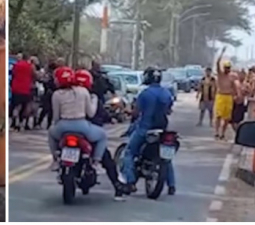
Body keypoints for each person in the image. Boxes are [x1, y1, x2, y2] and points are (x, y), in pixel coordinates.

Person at [75, 68, 130, 200]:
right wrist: (109, 118)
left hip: (70, 131)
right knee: (106, 159)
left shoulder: (67, 95)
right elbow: (100, 114)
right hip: (89, 134)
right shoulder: (92, 98)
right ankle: (117, 186)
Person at [122, 66, 176, 195]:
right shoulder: (167, 93)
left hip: (145, 128)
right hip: (162, 129)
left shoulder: (145, 94)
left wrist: (128, 111)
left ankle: (130, 181)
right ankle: (172, 185)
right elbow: (169, 110)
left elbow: (136, 112)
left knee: (129, 152)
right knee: (166, 157)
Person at [48, 66, 108, 171]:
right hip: (82, 126)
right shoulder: (83, 91)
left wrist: (56, 125)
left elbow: (56, 117)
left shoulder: (56, 94)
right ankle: (96, 162)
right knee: (102, 135)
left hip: (63, 126)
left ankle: (56, 159)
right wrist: (94, 101)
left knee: (51, 133)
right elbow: (91, 113)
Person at [214, 47, 235, 140]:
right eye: (226, 67)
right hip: (221, 96)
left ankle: (223, 133)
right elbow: (217, 63)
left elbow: (234, 87)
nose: (227, 69)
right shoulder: (220, 75)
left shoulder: (232, 77)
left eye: (228, 68)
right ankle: (216, 132)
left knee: (227, 118)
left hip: (229, 97)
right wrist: (221, 53)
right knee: (218, 116)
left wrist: (236, 95)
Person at [10, 53, 35, 131]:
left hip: (16, 87)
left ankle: (14, 123)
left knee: (15, 105)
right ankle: (21, 122)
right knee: (24, 107)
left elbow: (13, 74)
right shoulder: (30, 66)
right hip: (26, 88)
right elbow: (33, 75)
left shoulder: (16, 65)